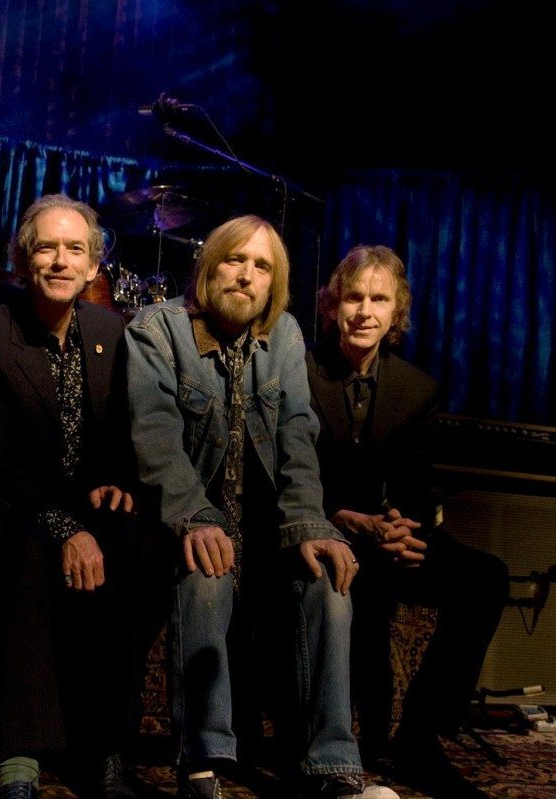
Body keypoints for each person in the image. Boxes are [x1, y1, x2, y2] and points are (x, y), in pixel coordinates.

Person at [124, 215, 398, 799]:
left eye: (262, 266)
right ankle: (202, 766)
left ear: (275, 283)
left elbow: (298, 437)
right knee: (207, 571)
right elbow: (156, 436)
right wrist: (196, 517)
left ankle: (333, 767)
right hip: (186, 523)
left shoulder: (287, 336)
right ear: (209, 266)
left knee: (329, 577)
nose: (246, 275)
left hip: (268, 533)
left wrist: (310, 525)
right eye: (234, 260)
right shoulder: (157, 328)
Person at [0, 196, 171, 799]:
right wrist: (66, 528)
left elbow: (134, 429)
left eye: (75, 250)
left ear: (93, 268)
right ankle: (20, 758)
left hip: (90, 502)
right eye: (46, 248)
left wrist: (120, 481)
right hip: (16, 503)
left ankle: (107, 748)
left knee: (143, 544)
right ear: (22, 260)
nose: (61, 261)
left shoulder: (114, 333)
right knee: (27, 552)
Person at [306, 244, 508, 799]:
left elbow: (418, 482)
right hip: (321, 528)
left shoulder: (417, 387)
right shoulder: (298, 371)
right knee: (361, 584)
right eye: (353, 298)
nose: (364, 311)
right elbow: (281, 472)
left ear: (397, 311)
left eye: (379, 299)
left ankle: (420, 736)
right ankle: (351, 741)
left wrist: (403, 526)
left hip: (388, 533)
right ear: (332, 306)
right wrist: (342, 517)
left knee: (486, 577)